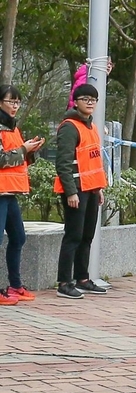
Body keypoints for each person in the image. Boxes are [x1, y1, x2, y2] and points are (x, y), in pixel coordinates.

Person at [55, 84, 108, 299]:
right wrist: (70, 192)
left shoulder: (92, 127)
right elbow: (63, 163)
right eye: (85, 98)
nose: (89, 102)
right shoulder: (69, 127)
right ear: (75, 102)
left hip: (91, 190)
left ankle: (82, 279)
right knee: (73, 236)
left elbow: (93, 162)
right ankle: (64, 283)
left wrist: (98, 189)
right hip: (76, 190)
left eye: (93, 99)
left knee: (86, 236)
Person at [0, 85, 45, 305]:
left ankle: (15, 285)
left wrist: (30, 151)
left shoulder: (13, 128)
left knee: (18, 237)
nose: (15, 106)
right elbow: (2, 159)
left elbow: (17, 159)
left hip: (10, 192)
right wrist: (24, 150)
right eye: (11, 101)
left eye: (17, 102)